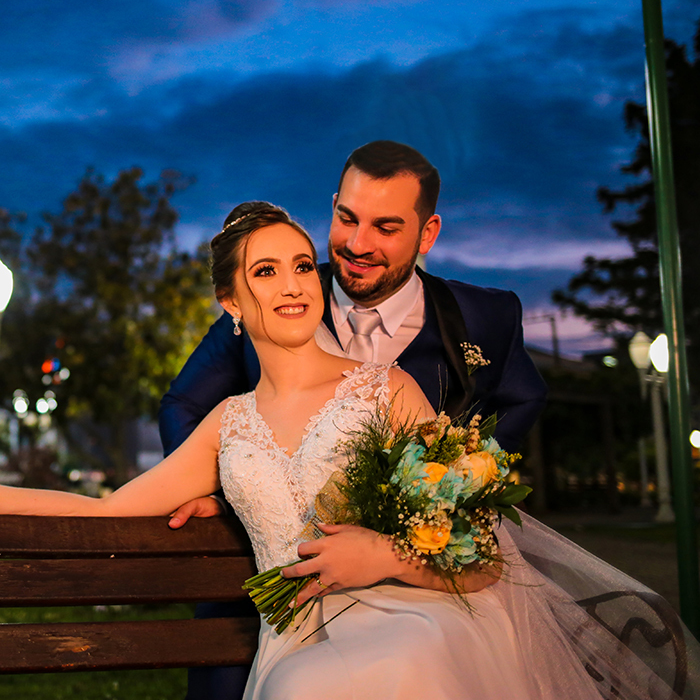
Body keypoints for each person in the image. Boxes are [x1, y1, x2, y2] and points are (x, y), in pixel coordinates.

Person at [0, 203, 700, 699]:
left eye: (302, 264)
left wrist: (379, 552)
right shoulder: (227, 424)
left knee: (391, 670)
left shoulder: (384, 390)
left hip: (418, 617)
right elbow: (106, 509)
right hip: (301, 644)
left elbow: (481, 562)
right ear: (230, 304)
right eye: (266, 272)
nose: (294, 283)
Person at [160, 140, 548, 698]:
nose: (358, 244)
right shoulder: (278, 292)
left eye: (386, 227)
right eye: (346, 218)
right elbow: (183, 403)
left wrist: (458, 476)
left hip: (417, 582)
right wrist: (221, 483)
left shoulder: (485, 315)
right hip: (279, 584)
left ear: (427, 234)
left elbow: (524, 397)